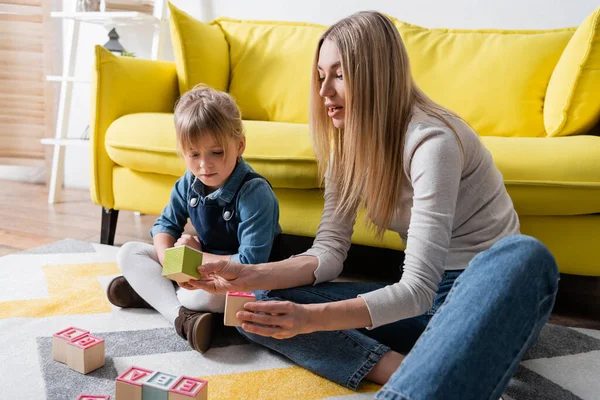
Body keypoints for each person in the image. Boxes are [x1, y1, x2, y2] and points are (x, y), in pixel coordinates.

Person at [183, 11, 559, 399]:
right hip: (425, 297)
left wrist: (309, 320)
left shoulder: (432, 142)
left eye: (339, 75)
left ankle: (420, 366)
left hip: (476, 294)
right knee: (257, 311)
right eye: (320, 77)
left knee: (281, 316)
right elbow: (329, 253)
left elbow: (417, 290)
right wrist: (244, 274)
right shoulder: (347, 143)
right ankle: (395, 367)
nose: (324, 91)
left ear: (378, 75)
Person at [106, 85, 282, 353]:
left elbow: (250, 264)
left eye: (217, 152)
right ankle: (181, 315)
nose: (204, 165)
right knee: (129, 252)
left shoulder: (255, 192)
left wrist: (195, 256)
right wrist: (171, 261)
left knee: (206, 295)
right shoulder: (188, 182)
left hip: (244, 278)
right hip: (202, 265)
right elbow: (165, 226)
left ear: (240, 145)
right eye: (194, 154)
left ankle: (155, 296)